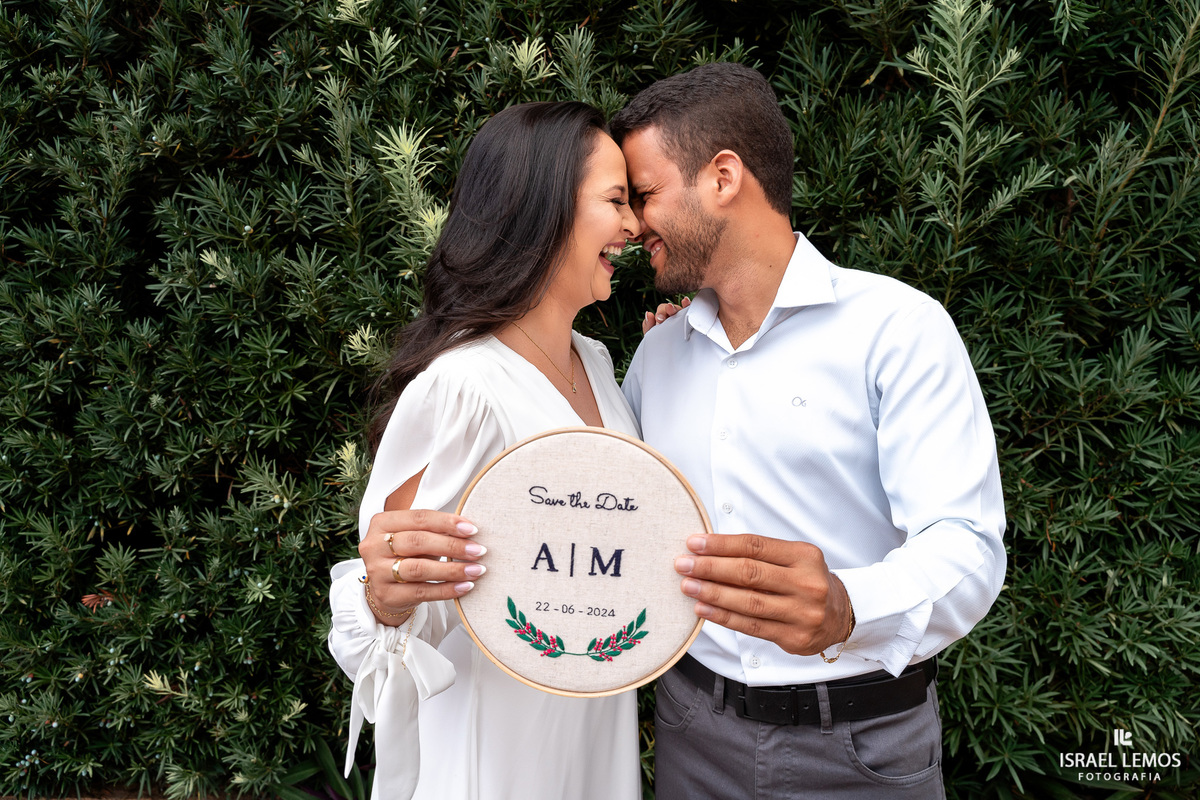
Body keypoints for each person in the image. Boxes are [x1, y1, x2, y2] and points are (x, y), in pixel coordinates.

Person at [611, 62, 1007, 799]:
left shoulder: (898, 330)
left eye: (646, 193)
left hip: (863, 751)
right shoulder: (659, 353)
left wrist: (849, 607)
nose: (632, 225)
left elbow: (969, 544)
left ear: (723, 177)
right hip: (691, 733)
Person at [325, 101, 643, 800]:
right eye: (616, 201)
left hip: (592, 741)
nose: (634, 226)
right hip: (498, 755)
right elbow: (403, 604)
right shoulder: (465, 389)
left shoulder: (595, 364)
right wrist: (383, 600)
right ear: (545, 210)